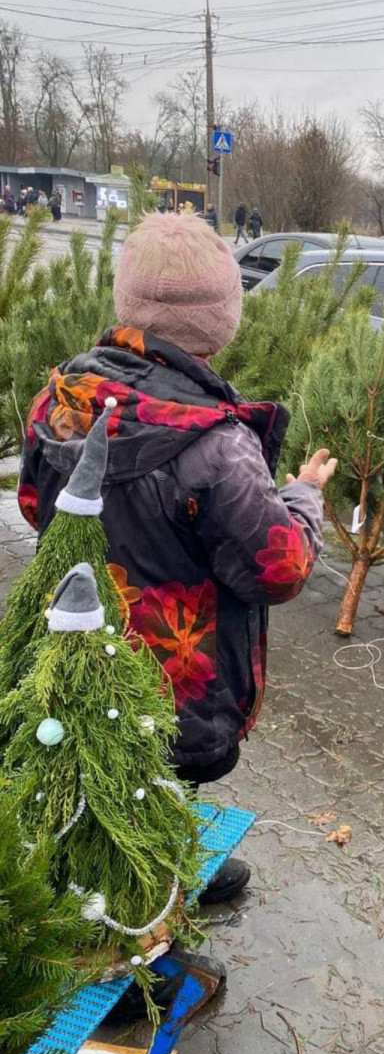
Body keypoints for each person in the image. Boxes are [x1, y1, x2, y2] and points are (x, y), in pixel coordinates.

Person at [19, 214, 337, 911]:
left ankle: (154, 861)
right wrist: (304, 496)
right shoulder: (216, 444)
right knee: (153, 777)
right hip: (175, 675)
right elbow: (278, 567)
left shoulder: (64, 400)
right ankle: (134, 941)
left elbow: (35, 504)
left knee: (105, 773)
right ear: (223, 320)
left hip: (80, 648)